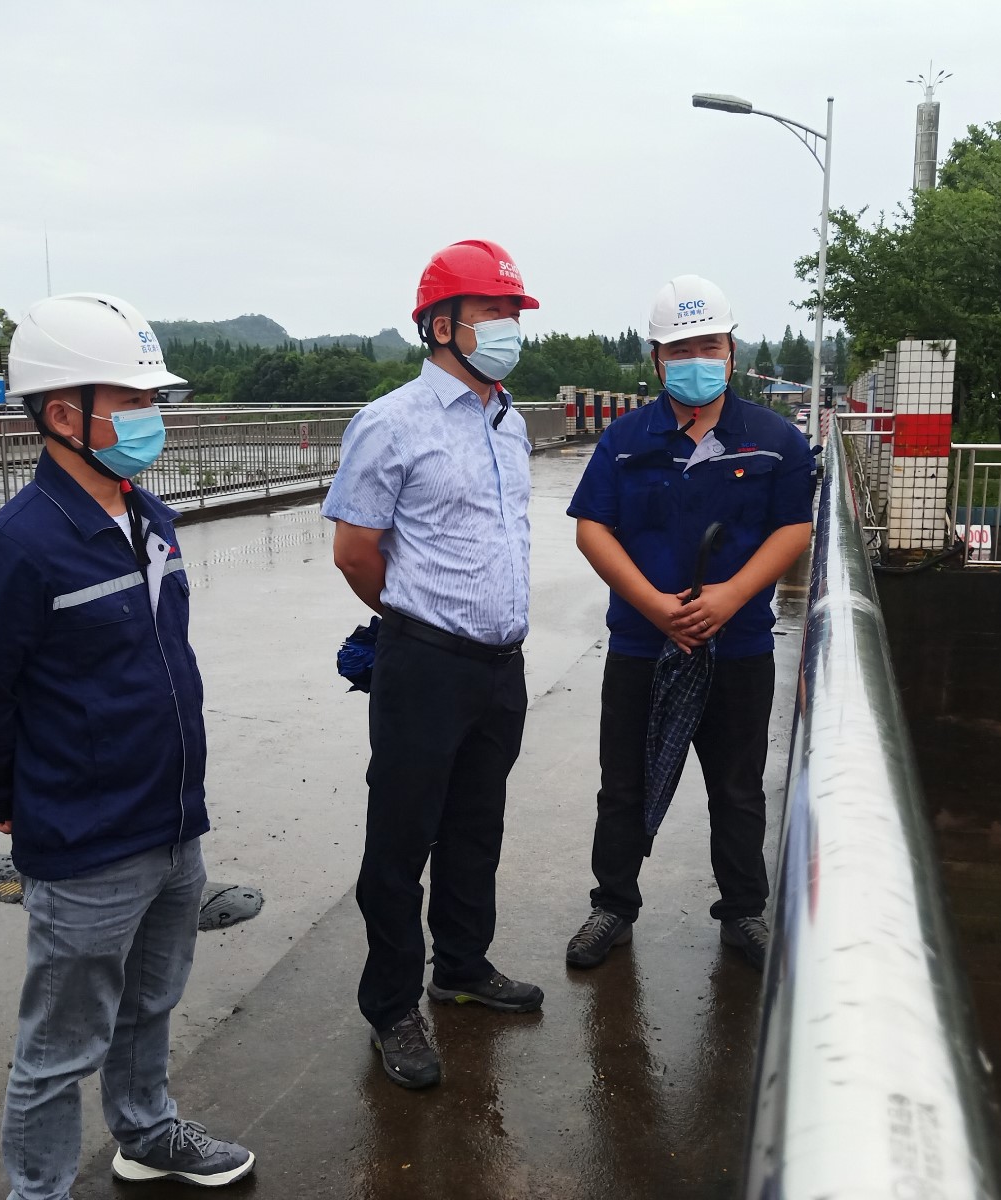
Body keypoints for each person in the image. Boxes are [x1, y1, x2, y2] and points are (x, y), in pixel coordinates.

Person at [0, 293, 254, 1197]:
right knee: (59, 1046)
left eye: (153, 399)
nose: (151, 417)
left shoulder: (151, 521)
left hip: (172, 823)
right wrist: (9, 798)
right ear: (63, 416)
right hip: (84, 843)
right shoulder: (17, 548)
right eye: (131, 400)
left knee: (150, 1003)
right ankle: (38, 1189)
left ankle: (145, 1133)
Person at [322, 240, 545, 1090]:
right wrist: (416, 620)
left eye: (514, 312)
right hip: (424, 663)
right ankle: (390, 1006)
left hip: (500, 665)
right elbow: (356, 551)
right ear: (443, 325)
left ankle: (461, 966)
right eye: (494, 311)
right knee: (401, 838)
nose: (509, 326)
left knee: (476, 826)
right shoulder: (391, 422)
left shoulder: (509, 420)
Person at [563, 275, 814, 971]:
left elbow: (793, 529)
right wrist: (652, 604)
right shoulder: (625, 440)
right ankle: (612, 906)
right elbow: (592, 528)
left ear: (732, 351)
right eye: (679, 349)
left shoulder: (774, 440)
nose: (696, 359)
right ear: (656, 360)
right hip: (642, 645)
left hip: (738, 646)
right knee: (624, 783)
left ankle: (743, 912)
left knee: (736, 786)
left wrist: (732, 596)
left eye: (709, 345)